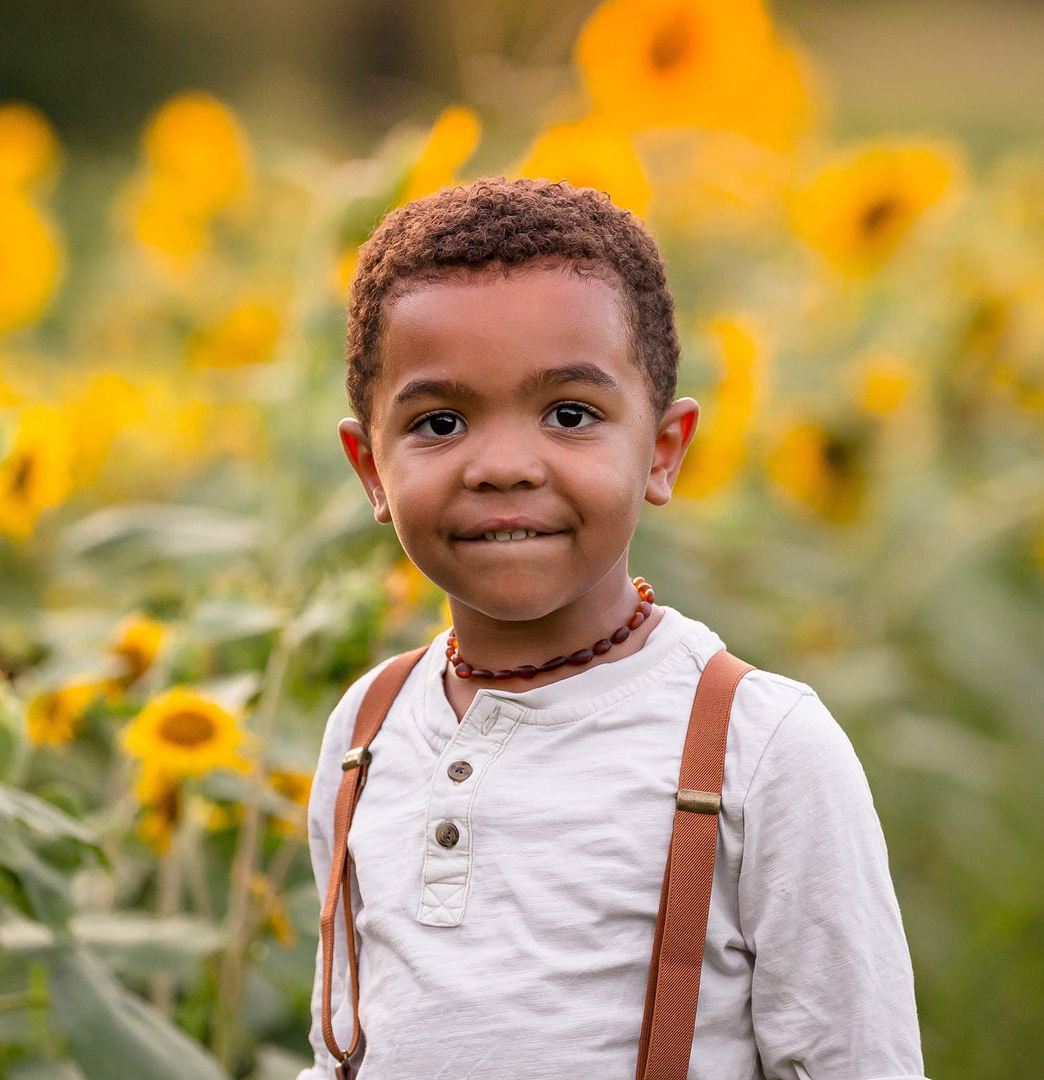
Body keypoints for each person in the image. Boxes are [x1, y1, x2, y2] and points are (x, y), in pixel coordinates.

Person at [298, 177, 927, 1080]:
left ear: (662, 451)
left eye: (569, 415)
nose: (506, 466)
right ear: (371, 468)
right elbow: (341, 1050)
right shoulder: (367, 731)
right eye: (441, 422)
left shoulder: (759, 749)